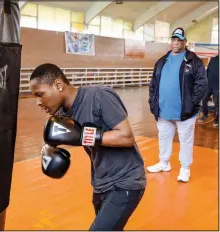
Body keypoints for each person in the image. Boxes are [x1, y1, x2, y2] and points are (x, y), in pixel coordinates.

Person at [29, 63, 146, 231]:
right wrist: (47, 150)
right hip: (101, 183)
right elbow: (52, 137)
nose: (39, 102)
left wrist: (84, 135)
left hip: (126, 180)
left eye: (40, 94)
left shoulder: (99, 96)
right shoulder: (62, 114)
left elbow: (126, 136)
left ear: (58, 85)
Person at [147, 27, 207, 182]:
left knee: (186, 140)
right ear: (171, 41)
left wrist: (192, 103)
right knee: (163, 137)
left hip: (185, 112)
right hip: (163, 110)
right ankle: (164, 163)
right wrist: (152, 101)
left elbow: (202, 83)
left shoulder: (194, 61)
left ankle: (185, 168)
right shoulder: (162, 61)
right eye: (174, 39)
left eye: (180, 40)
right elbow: (153, 83)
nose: (176, 43)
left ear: (185, 42)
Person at [198, 55, 219, 127]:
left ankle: (216, 119)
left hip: (218, 87)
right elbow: (208, 70)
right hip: (209, 85)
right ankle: (205, 115)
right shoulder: (213, 59)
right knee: (204, 100)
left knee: (217, 104)